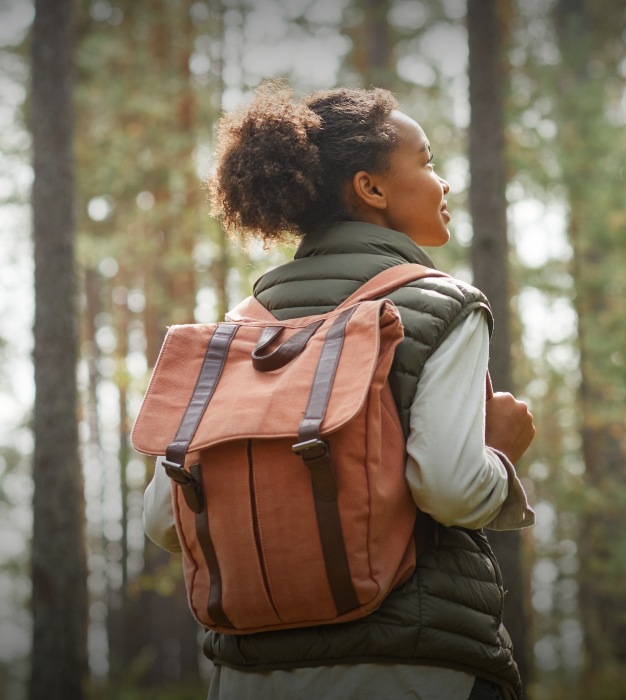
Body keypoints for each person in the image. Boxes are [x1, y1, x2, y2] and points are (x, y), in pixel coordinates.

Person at [141, 82, 535, 700]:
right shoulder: (440, 305)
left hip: (247, 677)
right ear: (370, 188)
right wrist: (501, 454)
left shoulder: (240, 329)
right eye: (428, 162)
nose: (443, 183)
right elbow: (452, 489)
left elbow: (164, 519)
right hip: (411, 669)